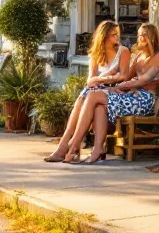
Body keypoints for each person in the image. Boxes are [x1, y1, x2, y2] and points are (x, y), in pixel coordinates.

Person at [64, 23, 159, 164]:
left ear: (152, 37)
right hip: (133, 97)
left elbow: (143, 80)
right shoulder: (139, 56)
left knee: (93, 95)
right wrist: (110, 76)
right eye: (139, 34)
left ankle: (73, 145)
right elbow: (126, 76)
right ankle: (98, 149)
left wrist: (118, 87)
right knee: (98, 105)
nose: (140, 37)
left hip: (146, 101)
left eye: (144, 34)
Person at [44, 20, 130, 163]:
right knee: (86, 95)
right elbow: (90, 80)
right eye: (114, 35)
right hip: (97, 91)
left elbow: (123, 76)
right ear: (104, 36)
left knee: (86, 95)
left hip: (114, 91)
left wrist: (102, 79)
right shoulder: (96, 54)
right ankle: (71, 144)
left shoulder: (123, 51)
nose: (117, 38)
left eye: (118, 35)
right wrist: (107, 76)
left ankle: (70, 145)